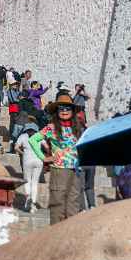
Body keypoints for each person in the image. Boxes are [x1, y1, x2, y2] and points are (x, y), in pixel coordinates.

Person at [31, 92, 84, 225]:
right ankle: (55, 237)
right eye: (61, 108)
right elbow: (33, 140)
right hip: (59, 170)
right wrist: (44, 158)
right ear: (56, 111)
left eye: (67, 108)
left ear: (72, 111)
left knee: (74, 205)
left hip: (76, 170)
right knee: (58, 206)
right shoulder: (51, 127)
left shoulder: (78, 128)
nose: (65, 111)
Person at [16, 123, 48, 213]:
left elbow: (16, 148)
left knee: (27, 181)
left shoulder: (22, 136)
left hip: (27, 160)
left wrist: (23, 153)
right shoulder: (39, 136)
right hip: (38, 161)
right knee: (35, 182)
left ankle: (27, 199)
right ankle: (33, 204)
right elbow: (46, 147)